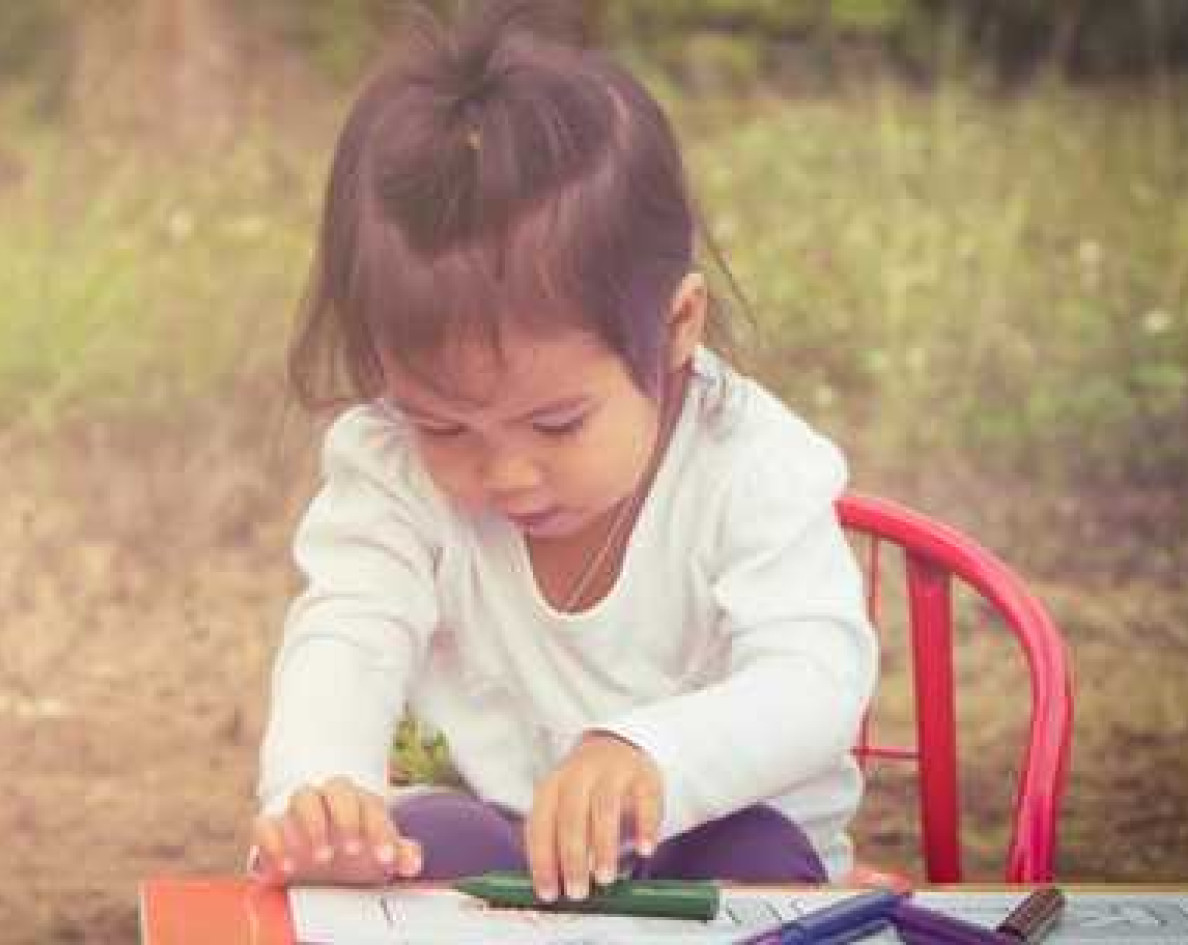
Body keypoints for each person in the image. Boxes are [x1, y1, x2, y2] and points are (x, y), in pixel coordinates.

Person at [251, 0, 876, 903]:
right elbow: (347, 634)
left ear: (677, 328)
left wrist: (651, 751)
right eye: (446, 426)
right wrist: (321, 789)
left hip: (715, 843)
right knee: (422, 838)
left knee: (755, 854)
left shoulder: (749, 463)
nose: (504, 473)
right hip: (503, 847)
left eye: (556, 425)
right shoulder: (387, 467)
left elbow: (816, 679)